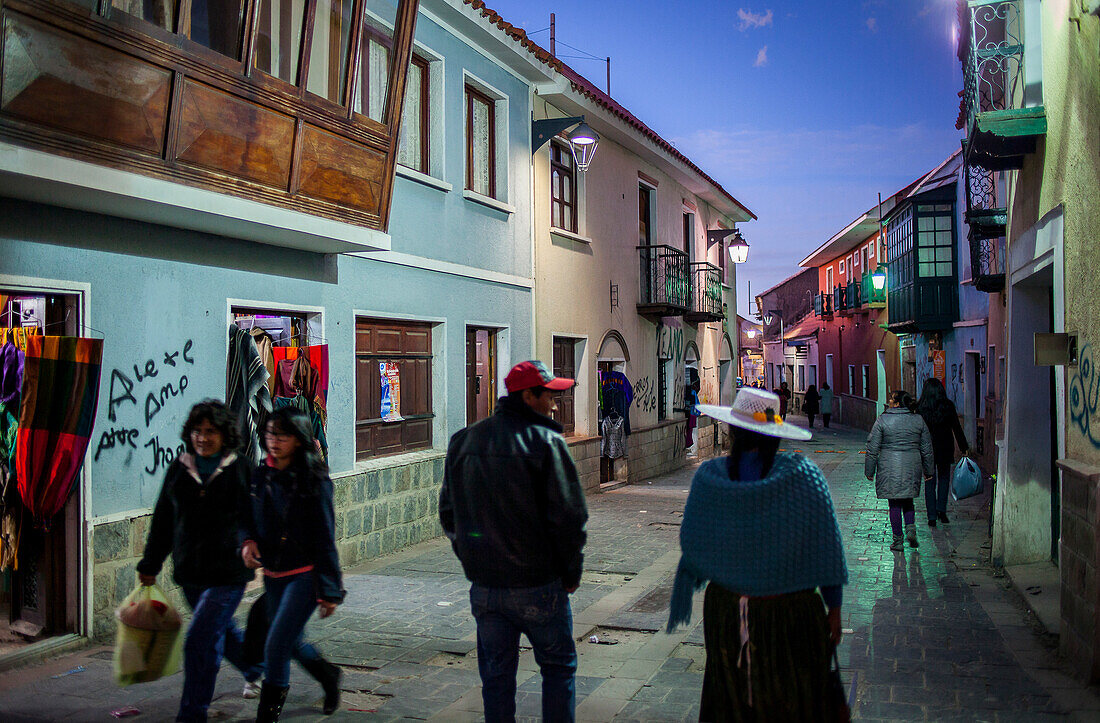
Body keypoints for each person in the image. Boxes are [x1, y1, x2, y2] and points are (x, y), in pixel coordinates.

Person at [667, 389, 848, 720]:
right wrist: (833, 609)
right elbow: (825, 550)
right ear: (775, 434)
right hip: (792, 614)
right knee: (792, 700)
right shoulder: (804, 478)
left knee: (732, 699)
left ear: (733, 431)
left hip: (728, 613)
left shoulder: (710, 480)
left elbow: (694, 545)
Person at [440, 360, 588, 722]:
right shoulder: (547, 442)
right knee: (558, 668)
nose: (556, 402)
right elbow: (569, 518)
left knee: (496, 678)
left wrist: (472, 557)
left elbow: (448, 512)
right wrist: (570, 573)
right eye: (549, 395)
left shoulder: (465, 439)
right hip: (538, 585)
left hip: (486, 587)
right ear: (528, 395)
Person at [136, 400, 262, 722]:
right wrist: (150, 564)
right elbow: (163, 520)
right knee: (221, 630)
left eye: (210, 432)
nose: (202, 438)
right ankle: (253, 666)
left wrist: (254, 545)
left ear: (224, 434)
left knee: (200, 640)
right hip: (190, 572)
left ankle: (192, 714)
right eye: (197, 431)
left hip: (229, 574)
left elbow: (258, 519)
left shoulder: (242, 469)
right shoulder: (179, 468)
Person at [241, 407, 345, 722]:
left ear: (298, 439)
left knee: (275, 644)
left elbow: (325, 537)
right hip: (272, 574)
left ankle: (268, 714)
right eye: (270, 434)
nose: (274, 441)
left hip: (305, 575)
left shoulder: (314, 480)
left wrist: (329, 590)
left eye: (283, 435)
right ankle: (327, 675)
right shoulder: (261, 475)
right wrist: (247, 541)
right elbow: (246, 517)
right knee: (292, 642)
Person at [865, 391, 935, 551]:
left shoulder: (883, 420)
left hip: (889, 465)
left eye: (891, 398)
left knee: (894, 503)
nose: (888, 400)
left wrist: (869, 470)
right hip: (912, 464)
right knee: (908, 500)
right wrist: (928, 469)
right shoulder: (918, 420)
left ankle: (898, 541)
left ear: (897, 403)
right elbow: (926, 447)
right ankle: (910, 528)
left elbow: (872, 447)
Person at [916, 378, 970, 526]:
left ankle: (931, 516)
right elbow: (956, 428)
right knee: (944, 479)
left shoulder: (921, 407)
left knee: (929, 481)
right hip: (945, 447)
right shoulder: (948, 406)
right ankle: (942, 511)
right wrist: (964, 446)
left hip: (927, 449)